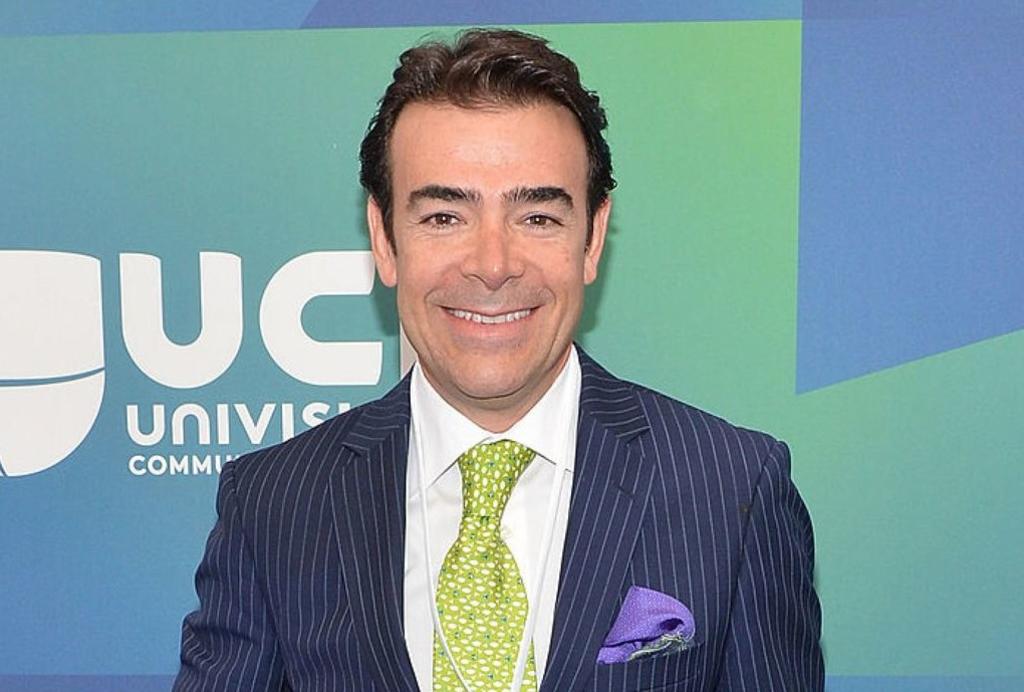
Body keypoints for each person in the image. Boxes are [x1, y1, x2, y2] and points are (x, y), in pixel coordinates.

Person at [174, 28, 823, 691]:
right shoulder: (274, 503)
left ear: (592, 237)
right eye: (444, 217)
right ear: (385, 239)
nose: (492, 265)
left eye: (537, 218)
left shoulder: (732, 489)